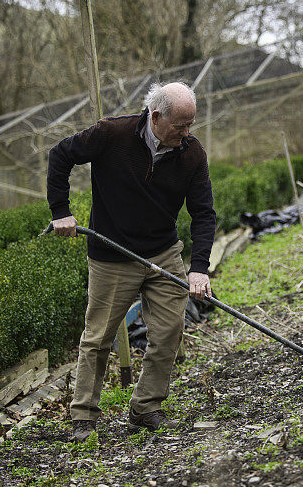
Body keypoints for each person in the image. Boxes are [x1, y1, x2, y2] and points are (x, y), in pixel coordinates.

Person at [47, 82, 215, 442]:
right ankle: (84, 415)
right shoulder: (112, 134)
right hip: (112, 256)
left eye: (191, 126)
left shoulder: (192, 154)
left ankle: (146, 407)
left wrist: (199, 267)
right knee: (98, 338)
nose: (186, 134)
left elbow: (203, 213)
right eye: (180, 126)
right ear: (156, 117)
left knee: (169, 330)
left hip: (163, 252)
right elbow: (60, 155)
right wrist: (61, 211)